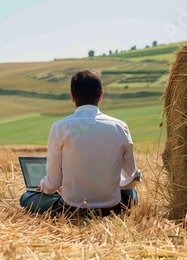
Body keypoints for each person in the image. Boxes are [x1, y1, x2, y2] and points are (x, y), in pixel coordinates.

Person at [20, 69, 141, 217]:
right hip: (111, 208)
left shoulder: (59, 127)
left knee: (26, 198)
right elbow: (131, 175)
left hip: (71, 209)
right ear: (101, 95)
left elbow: (53, 183)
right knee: (132, 192)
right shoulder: (120, 127)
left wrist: (42, 187)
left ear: (72, 96)